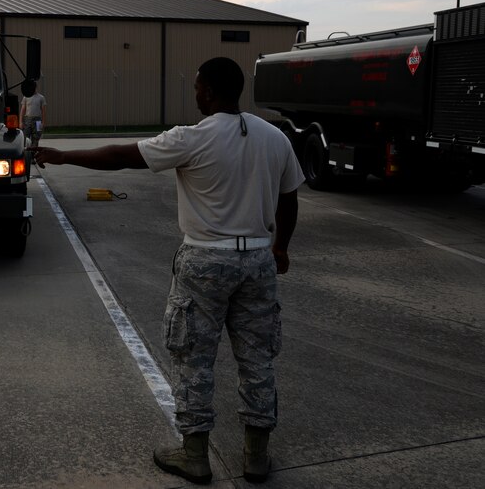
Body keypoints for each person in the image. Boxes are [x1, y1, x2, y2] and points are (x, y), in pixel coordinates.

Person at [31, 57, 304, 485]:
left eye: (197, 87)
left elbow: (122, 155)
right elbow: (289, 198)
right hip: (257, 260)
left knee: (193, 357)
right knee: (258, 358)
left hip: (204, 260)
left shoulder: (193, 138)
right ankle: (256, 454)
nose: (194, 93)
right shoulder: (274, 138)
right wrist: (281, 246)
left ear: (210, 91)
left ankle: (194, 455)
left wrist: (63, 155)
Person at [19, 79, 47, 148]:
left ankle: (34, 153)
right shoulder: (26, 97)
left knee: (36, 137)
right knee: (26, 137)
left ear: (35, 87)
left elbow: (43, 111)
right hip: (28, 119)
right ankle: (26, 153)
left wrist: (43, 123)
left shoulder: (41, 98)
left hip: (38, 121)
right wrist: (21, 122)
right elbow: (22, 110)